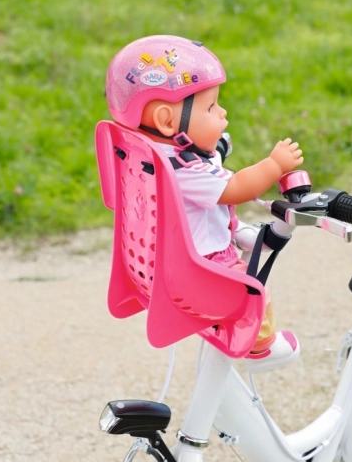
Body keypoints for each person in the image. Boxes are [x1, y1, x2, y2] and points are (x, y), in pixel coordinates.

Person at [105, 35, 304, 373]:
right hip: (200, 269)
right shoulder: (184, 170)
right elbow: (236, 189)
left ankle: (243, 238)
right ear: (168, 121)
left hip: (158, 260)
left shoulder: (148, 155)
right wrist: (275, 165)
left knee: (251, 238)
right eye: (211, 108)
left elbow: (209, 163)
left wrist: (214, 145)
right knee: (253, 292)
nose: (222, 113)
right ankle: (261, 347)